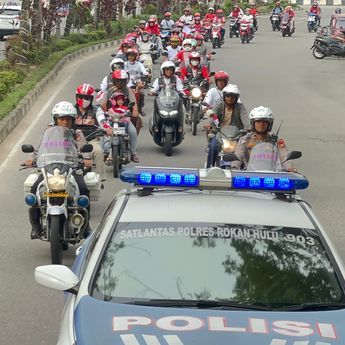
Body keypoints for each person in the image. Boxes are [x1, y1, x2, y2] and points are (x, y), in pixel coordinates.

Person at [25, 101, 91, 239]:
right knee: (35, 190)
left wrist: (86, 158)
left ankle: (86, 226)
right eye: (61, 119)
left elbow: (83, 146)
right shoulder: (48, 132)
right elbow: (38, 149)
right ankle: (35, 226)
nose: (65, 122)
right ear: (55, 119)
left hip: (71, 168)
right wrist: (31, 158)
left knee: (83, 189)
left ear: (73, 120)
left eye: (68, 119)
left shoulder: (77, 133)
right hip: (50, 167)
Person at [231, 106, 296, 172]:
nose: (261, 124)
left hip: (273, 174)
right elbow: (238, 155)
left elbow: (284, 155)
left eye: (264, 122)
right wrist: (234, 166)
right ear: (253, 123)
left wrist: (290, 168)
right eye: (258, 121)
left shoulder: (277, 141)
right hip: (249, 174)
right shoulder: (245, 140)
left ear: (269, 124)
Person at [205, 84, 249, 168]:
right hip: (220, 133)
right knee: (213, 146)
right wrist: (209, 123)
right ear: (224, 97)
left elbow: (245, 117)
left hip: (237, 135)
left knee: (245, 149)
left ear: (236, 98)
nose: (230, 99)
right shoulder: (219, 105)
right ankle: (208, 168)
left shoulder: (240, 107)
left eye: (233, 97)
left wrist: (248, 127)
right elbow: (213, 115)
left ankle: (247, 168)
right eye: (228, 96)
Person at [101, 69, 140, 162]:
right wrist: (104, 111)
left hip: (124, 118)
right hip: (111, 117)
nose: (120, 83)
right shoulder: (109, 91)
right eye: (118, 80)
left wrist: (135, 111)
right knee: (105, 132)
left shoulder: (128, 91)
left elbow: (133, 102)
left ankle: (133, 153)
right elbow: (103, 104)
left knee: (133, 132)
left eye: (122, 81)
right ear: (114, 81)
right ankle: (105, 151)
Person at [74, 83, 106, 180]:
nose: (83, 100)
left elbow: (102, 120)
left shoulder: (96, 110)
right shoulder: (71, 110)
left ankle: (99, 179)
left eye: (87, 98)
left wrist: (107, 128)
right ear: (76, 97)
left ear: (91, 99)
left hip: (91, 141)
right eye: (81, 97)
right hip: (73, 141)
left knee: (98, 151)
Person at [149, 61, 186, 131]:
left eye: (171, 70)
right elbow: (154, 88)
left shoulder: (176, 79)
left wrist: (183, 93)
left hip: (174, 101)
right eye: (167, 70)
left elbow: (180, 88)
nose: (169, 71)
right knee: (154, 111)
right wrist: (152, 92)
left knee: (183, 108)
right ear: (163, 71)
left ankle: (181, 126)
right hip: (161, 102)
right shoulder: (158, 80)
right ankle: (154, 125)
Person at [123, 48, 147, 117]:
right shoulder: (124, 64)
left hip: (136, 84)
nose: (130, 57)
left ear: (135, 56)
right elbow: (120, 70)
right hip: (126, 84)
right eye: (129, 55)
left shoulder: (139, 64)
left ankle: (140, 109)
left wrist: (146, 73)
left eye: (132, 55)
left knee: (141, 94)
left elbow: (144, 70)